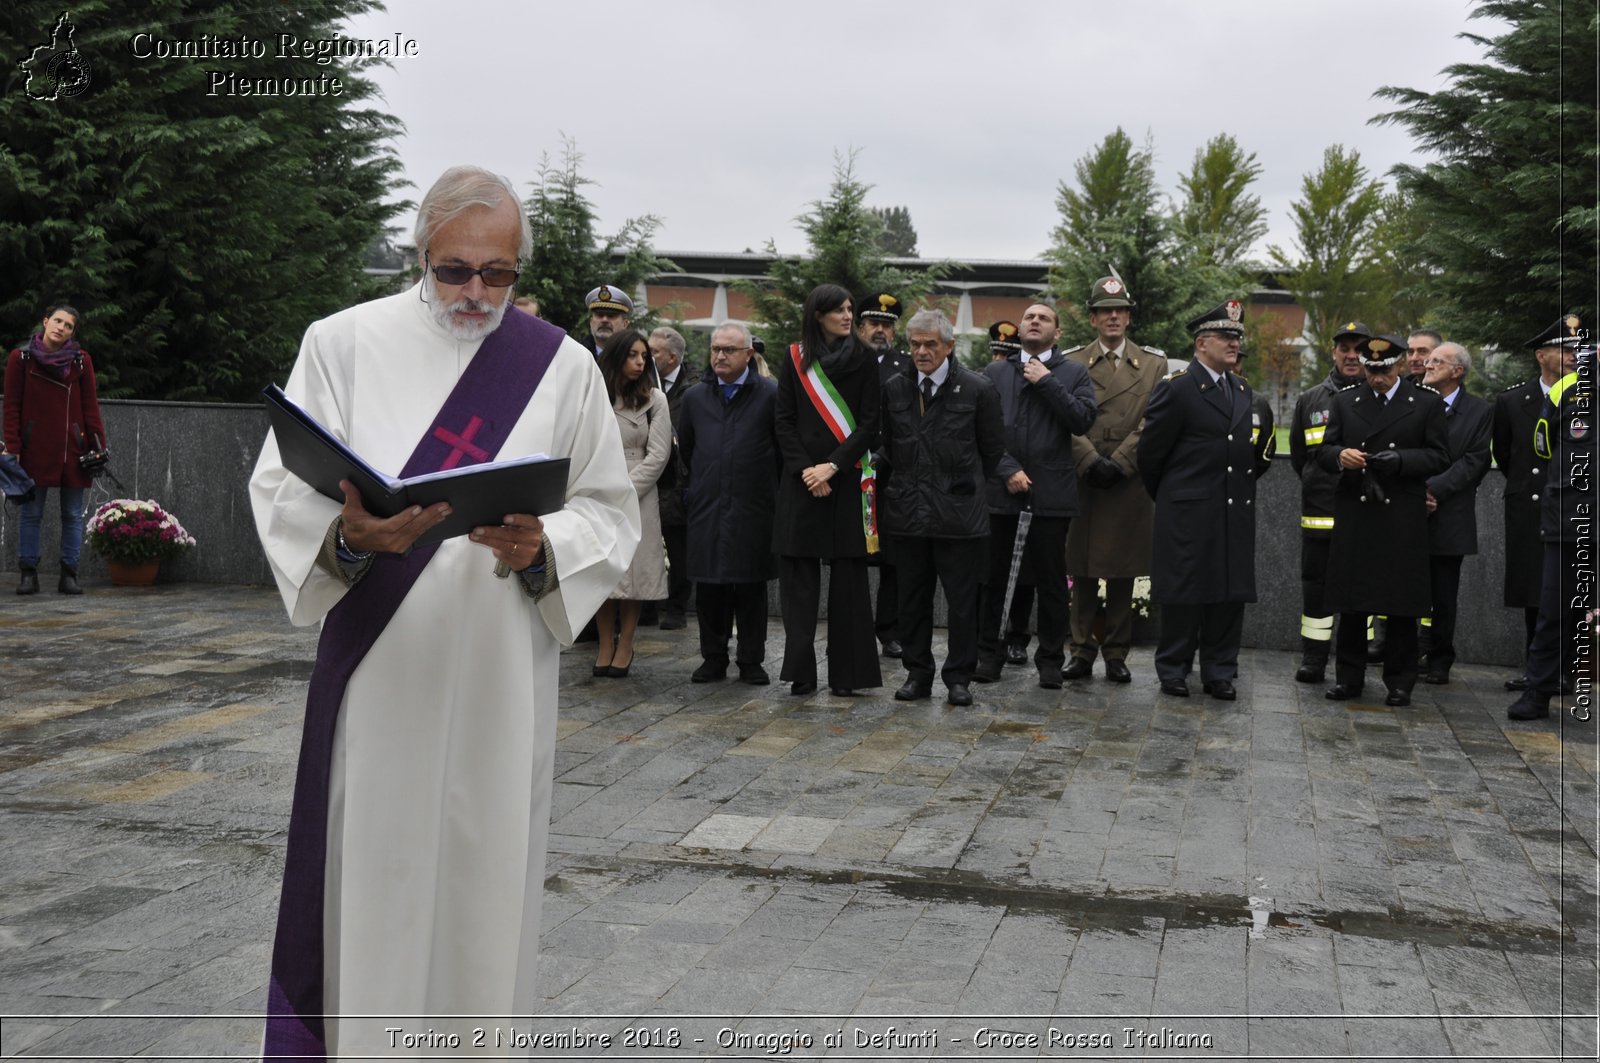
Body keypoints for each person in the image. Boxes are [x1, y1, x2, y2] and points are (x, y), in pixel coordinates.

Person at [249, 164, 638, 1057]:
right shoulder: (342, 343)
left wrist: (548, 545)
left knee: (484, 875)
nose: (475, 292)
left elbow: (607, 508)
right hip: (382, 669)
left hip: (503, 666)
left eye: (496, 273)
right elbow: (280, 487)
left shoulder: (562, 366)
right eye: (454, 269)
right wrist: (350, 538)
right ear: (419, 254)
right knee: (373, 869)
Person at [1137, 299, 1269, 701]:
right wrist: (1177, 497)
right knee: (1184, 592)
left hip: (1233, 509)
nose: (1234, 343)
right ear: (1201, 344)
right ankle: (1174, 668)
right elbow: (1151, 455)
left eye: (1237, 337)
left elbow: (1252, 452)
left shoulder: (1243, 390)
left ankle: (1219, 670)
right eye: (1226, 337)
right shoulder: (1177, 389)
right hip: (1188, 510)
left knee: (1228, 593)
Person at [879, 309, 1004, 706]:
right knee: (911, 600)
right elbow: (889, 447)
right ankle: (918, 673)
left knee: (963, 603)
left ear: (949, 346)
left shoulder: (977, 389)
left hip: (959, 515)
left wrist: (960, 486)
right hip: (908, 513)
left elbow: (992, 450)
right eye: (914, 344)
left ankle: (959, 677)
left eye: (930, 344)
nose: (921, 351)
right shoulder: (895, 388)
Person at [1317, 334, 1450, 706]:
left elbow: (1441, 456)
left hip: (1400, 514)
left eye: (1385, 371)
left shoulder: (1424, 403)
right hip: (1357, 510)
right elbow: (1324, 450)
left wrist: (1404, 461)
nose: (1378, 378)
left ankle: (1400, 680)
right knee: (1353, 601)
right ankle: (1349, 677)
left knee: (1401, 603)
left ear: (1401, 365)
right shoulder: (1345, 401)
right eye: (1372, 371)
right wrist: (1340, 455)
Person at [976, 303, 1098, 689]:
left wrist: (1046, 381)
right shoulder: (996, 371)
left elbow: (1082, 420)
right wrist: (1007, 468)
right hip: (1002, 490)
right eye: (1029, 316)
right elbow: (983, 428)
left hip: (1051, 493)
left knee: (1049, 582)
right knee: (995, 579)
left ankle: (1049, 659)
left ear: (1056, 333)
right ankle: (989, 654)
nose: (1034, 321)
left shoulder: (1074, 373)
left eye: (1043, 318)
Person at [773, 283, 883, 697]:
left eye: (850, 308)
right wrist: (807, 471)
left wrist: (831, 467)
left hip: (846, 477)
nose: (847, 315)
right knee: (798, 580)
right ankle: (801, 672)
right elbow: (783, 420)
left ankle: (849, 674)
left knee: (850, 582)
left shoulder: (865, 358)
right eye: (838, 309)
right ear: (818, 314)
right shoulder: (795, 357)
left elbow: (871, 423)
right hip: (803, 484)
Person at [1064, 276, 1167, 683]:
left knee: (1124, 569)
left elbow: (1153, 422)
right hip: (1085, 476)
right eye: (1105, 311)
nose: (1113, 317)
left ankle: (1117, 653)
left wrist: (1121, 462)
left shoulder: (1154, 364)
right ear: (1092, 319)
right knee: (1084, 566)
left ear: (1128, 318)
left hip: (1128, 478)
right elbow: (1064, 418)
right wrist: (1089, 459)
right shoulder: (1071, 362)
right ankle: (1081, 649)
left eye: (1120, 311)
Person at [681, 322, 780, 685]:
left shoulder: (770, 394)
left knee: (751, 587)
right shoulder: (695, 398)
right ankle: (713, 657)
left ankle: (751, 660)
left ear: (748, 354)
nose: (720, 356)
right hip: (708, 505)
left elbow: (781, 451)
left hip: (754, 507)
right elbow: (688, 451)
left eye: (729, 350)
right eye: (715, 349)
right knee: (709, 587)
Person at [1507, 317, 1594, 720]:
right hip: (1568, 521)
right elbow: (1541, 445)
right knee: (1554, 613)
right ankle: (1538, 693)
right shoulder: (1565, 391)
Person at [1494, 322, 1579, 692]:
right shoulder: (1513, 400)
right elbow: (1505, 452)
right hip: (1530, 505)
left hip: (1574, 506)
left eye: (1575, 349)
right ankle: (1537, 670)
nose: (1571, 356)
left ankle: (1568, 671)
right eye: (1563, 349)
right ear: (1540, 355)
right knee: (1535, 589)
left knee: (1573, 588)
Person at [4, 303, 106, 596]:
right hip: (34, 448)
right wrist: (13, 446)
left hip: (74, 449)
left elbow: (90, 405)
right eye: (57, 321)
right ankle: (28, 574)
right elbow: (11, 406)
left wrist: (99, 443)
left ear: (73, 332)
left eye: (68, 325)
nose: (61, 328)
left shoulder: (81, 361)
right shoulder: (21, 358)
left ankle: (69, 574)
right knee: (31, 514)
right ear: (45, 321)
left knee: (73, 514)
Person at [1287, 320, 1369, 682]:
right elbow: (1299, 457)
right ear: (1333, 352)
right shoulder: (1311, 399)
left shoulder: (1380, 396)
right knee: (1315, 589)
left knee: (1362, 589)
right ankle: (1314, 658)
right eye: (1345, 349)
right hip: (1320, 514)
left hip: (1367, 511)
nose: (1352, 356)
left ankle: (1357, 662)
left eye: (1359, 350)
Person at [593, 328, 672, 677]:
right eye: (633, 355)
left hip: (638, 492)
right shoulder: (596, 394)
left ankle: (625, 642)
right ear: (617, 356)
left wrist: (625, 489)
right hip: (597, 489)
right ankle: (604, 644)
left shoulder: (656, 399)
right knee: (603, 570)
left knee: (634, 571)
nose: (641, 362)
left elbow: (658, 455)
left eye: (645, 356)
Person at [1419, 342, 1492, 684]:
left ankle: (1439, 659)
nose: (1427, 364)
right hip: (1409, 510)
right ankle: (1406, 653)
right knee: (1405, 586)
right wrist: (1417, 491)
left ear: (1457, 371)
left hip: (1450, 516)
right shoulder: (1413, 401)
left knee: (1443, 595)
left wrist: (1433, 489)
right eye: (1429, 359)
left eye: (1437, 361)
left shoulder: (1479, 411)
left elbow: (1475, 461)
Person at [858, 291, 911, 659]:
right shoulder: (841, 362)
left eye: (888, 325)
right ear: (860, 326)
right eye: (874, 323)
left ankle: (890, 630)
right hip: (850, 471)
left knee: (893, 559)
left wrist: (883, 455)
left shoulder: (906, 366)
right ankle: (854, 627)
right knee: (852, 557)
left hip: (890, 474)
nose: (881, 330)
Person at [649, 325, 694, 630]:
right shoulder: (639, 383)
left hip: (679, 482)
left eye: (654, 352)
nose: (646, 357)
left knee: (679, 548)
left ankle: (677, 606)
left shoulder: (694, 387)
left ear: (672, 357)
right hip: (646, 479)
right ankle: (646, 606)